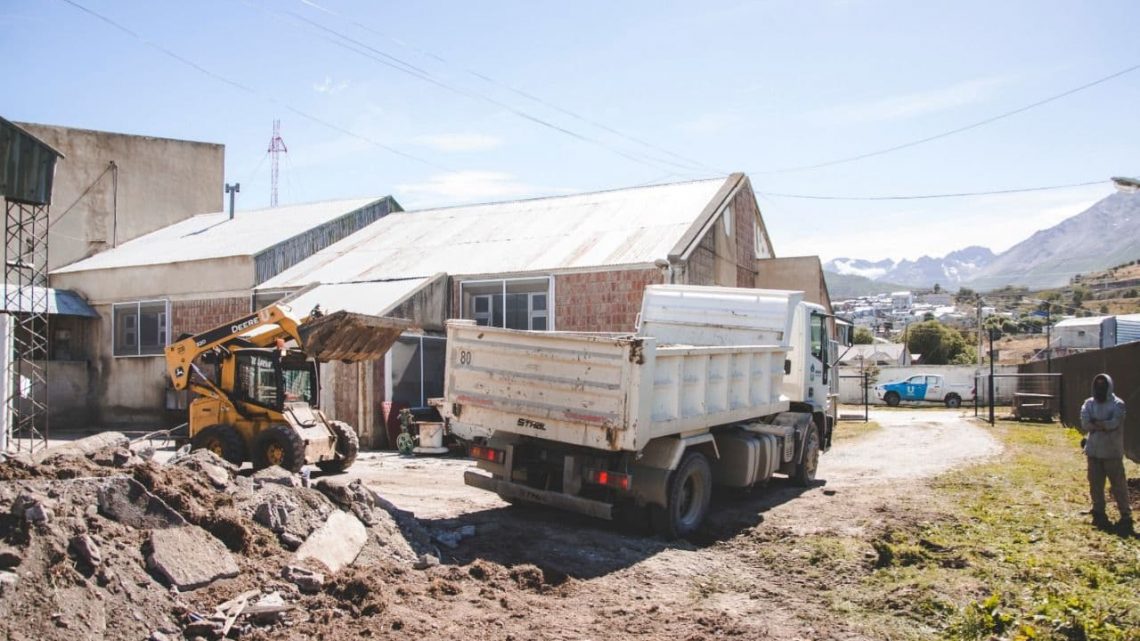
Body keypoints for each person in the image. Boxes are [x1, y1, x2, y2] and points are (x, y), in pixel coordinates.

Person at [1079, 373, 1132, 535]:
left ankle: (1126, 514)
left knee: (1118, 485)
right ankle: (1098, 509)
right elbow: (1085, 423)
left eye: (1103, 385)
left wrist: (1098, 424)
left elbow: (1114, 423)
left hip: (1112, 453)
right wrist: (1101, 424)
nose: (1100, 388)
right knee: (1095, 484)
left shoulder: (1118, 404)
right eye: (1097, 385)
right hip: (1093, 451)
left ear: (1109, 386)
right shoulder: (1089, 404)